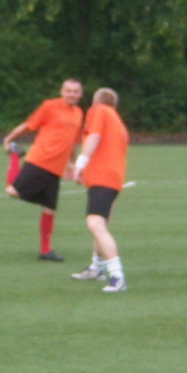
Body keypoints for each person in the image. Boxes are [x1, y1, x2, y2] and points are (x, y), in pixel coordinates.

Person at [2, 79, 86, 261]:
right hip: (39, 161)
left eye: (75, 91)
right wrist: (8, 139)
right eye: (69, 91)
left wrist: (72, 164)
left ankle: (45, 250)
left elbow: (73, 142)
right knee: (12, 191)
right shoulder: (50, 106)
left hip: (56, 169)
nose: (72, 94)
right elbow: (29, 125)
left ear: (81, 94)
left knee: (50, 209)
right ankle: (15, 157)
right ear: (62, 91)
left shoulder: (79, 113)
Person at [67, 87, 130, 292]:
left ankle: (117, 276)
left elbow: (94, 136)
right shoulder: (117, 121)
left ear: (96, 102)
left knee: (95, 224)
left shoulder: (99, 111)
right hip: (113, 178)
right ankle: (97, 268)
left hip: (103, 178)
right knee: (101, 224)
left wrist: (80, 164)